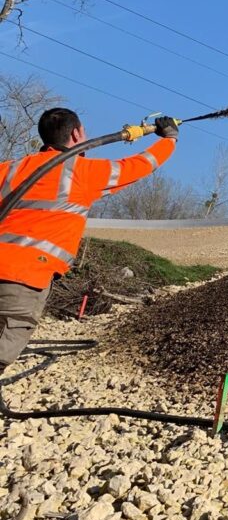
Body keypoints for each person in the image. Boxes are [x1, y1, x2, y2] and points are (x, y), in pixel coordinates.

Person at [0, 108, 180, 375]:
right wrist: (169, 139)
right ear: (76, 133)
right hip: (24, 277)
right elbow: (140, 165)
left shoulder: (10, 168)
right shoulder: (81, 173)